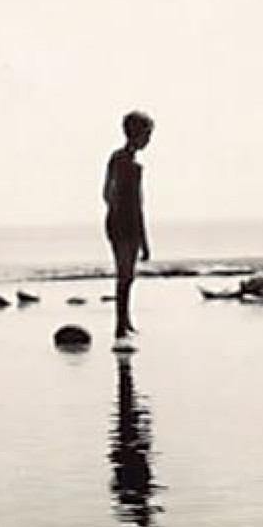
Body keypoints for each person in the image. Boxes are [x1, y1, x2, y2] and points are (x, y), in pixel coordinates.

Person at [103, 110, 153, 350]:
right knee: (125, 275)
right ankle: (121, 325)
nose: (149, 140)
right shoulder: (131, 166)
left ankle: (124, 321)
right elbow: (136, 205)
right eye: (147, 135)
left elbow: (106, 194)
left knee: (125, 275)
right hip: (126, 222)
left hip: (114, 220)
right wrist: (143, 239)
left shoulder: (116, 158)